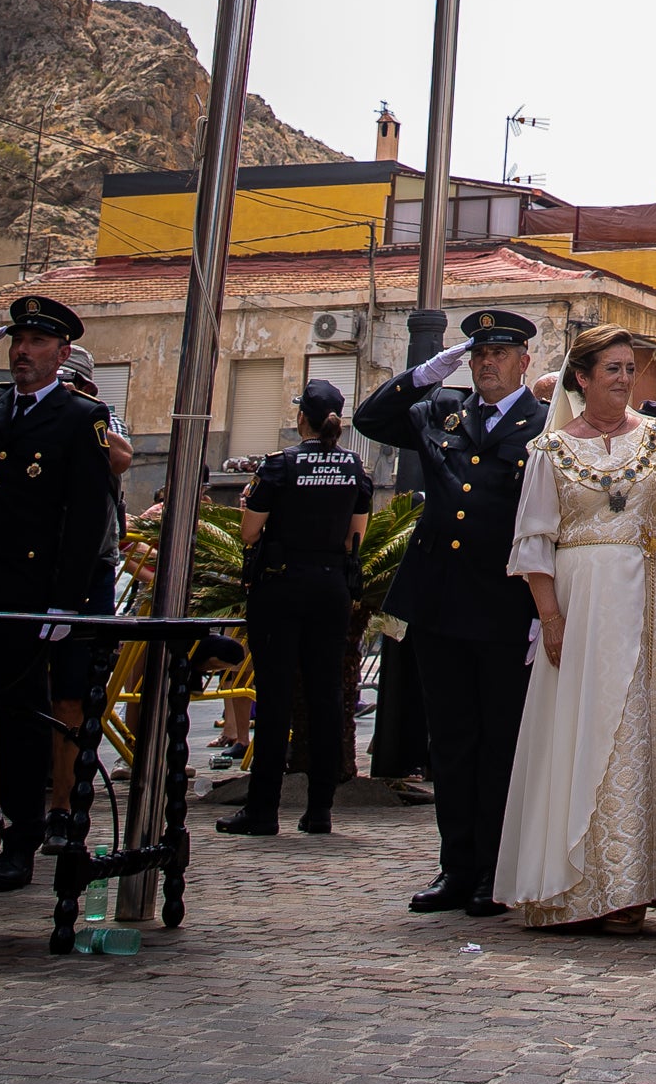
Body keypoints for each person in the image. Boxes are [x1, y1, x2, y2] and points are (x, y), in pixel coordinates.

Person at [494, 326, 656, 931]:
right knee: (583, 728)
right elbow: (535, 543)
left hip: (646, 597)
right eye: (610, 369)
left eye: (628, 368)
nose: (623, 379)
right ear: (581, 378)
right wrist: (552, 618)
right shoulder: (550, 451)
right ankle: (580, 884)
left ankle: (635, 885)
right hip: (581, 603)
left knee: (641, 727)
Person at [356, 307, 546, 917]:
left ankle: (494, 870)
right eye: (478, 355)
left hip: (505, 608)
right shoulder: (443, 412)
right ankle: (454, 867)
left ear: (524, 361)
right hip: (438, 604)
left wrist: (547, 609)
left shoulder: (544, 427)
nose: (487, 364)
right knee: (451, 742)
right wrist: (423, 374)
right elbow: (371, 419)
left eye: (499, 354)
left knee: (501, 743)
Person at [0, 293, 116, 890]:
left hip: (25, 592)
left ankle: (20, 842)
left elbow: (87, 516)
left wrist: (66, 600)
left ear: (62, 354)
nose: (22, 353)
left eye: (36, 344)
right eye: (17, 342)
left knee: (21, 721)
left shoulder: (78, 416)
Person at [214, 379, 374, 839]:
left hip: (280, 586)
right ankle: (319, 809)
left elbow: (248, 534)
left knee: (276, 695)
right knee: (327, 696)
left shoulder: (280, 465)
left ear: (301, 417)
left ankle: (263, 810)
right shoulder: (354, 469)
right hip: (331, 587)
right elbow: (354, 538)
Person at [41, 348, 134, 854]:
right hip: (29, 567)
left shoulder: (100, 417)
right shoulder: (22, 411)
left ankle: (63, 805)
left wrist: (78, 404)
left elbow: (121, 457)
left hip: (87, 569)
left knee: (73, 694)